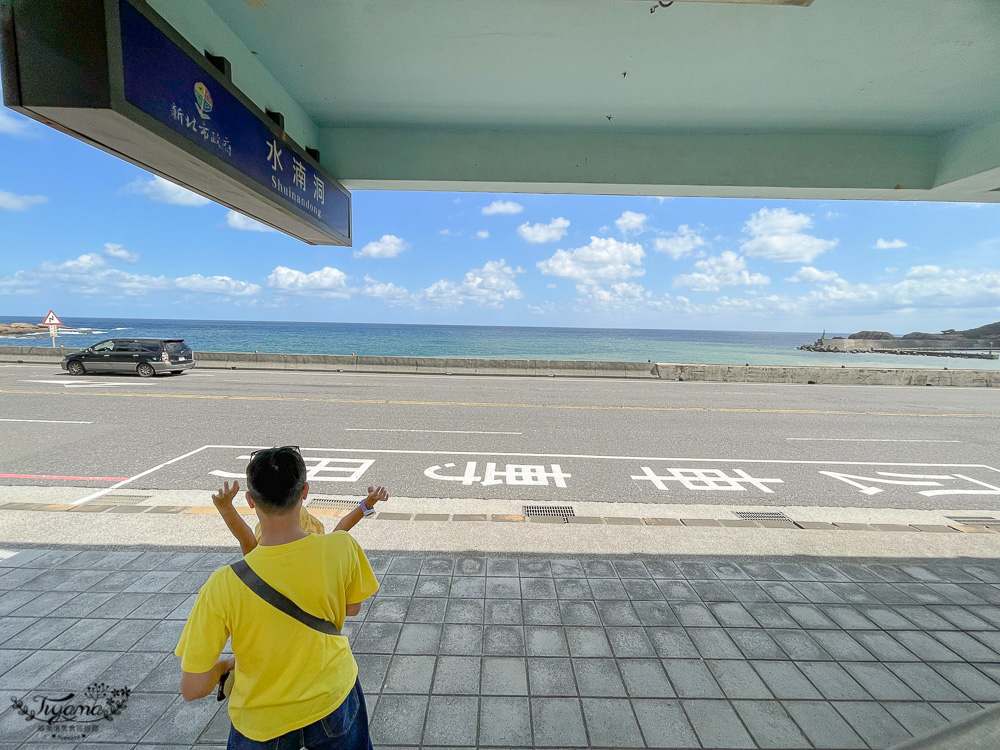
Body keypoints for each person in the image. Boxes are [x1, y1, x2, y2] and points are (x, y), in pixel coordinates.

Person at [175, 446, 384, 749]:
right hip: (334, 697)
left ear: (250, 500)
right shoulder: (342, 548)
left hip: (261, 721)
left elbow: (192, 688)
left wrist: (225, 666)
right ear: (305, 492)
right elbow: (352, 608)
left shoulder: (223, 584)